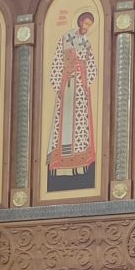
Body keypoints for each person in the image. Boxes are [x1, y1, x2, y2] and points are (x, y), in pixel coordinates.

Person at [47, 12, 99, 179]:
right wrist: (59, 83)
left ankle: (79, 164)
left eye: (89, 25)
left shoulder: (87, 43)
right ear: (80, 22)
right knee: (63, 123)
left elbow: (92, 65)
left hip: (80, 90)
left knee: (79, 123)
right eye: (85, 23)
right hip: (66, 85)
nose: (87, 27)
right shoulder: (66, 38)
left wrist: (84, 77)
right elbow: (57, 61)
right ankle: (60, 165)